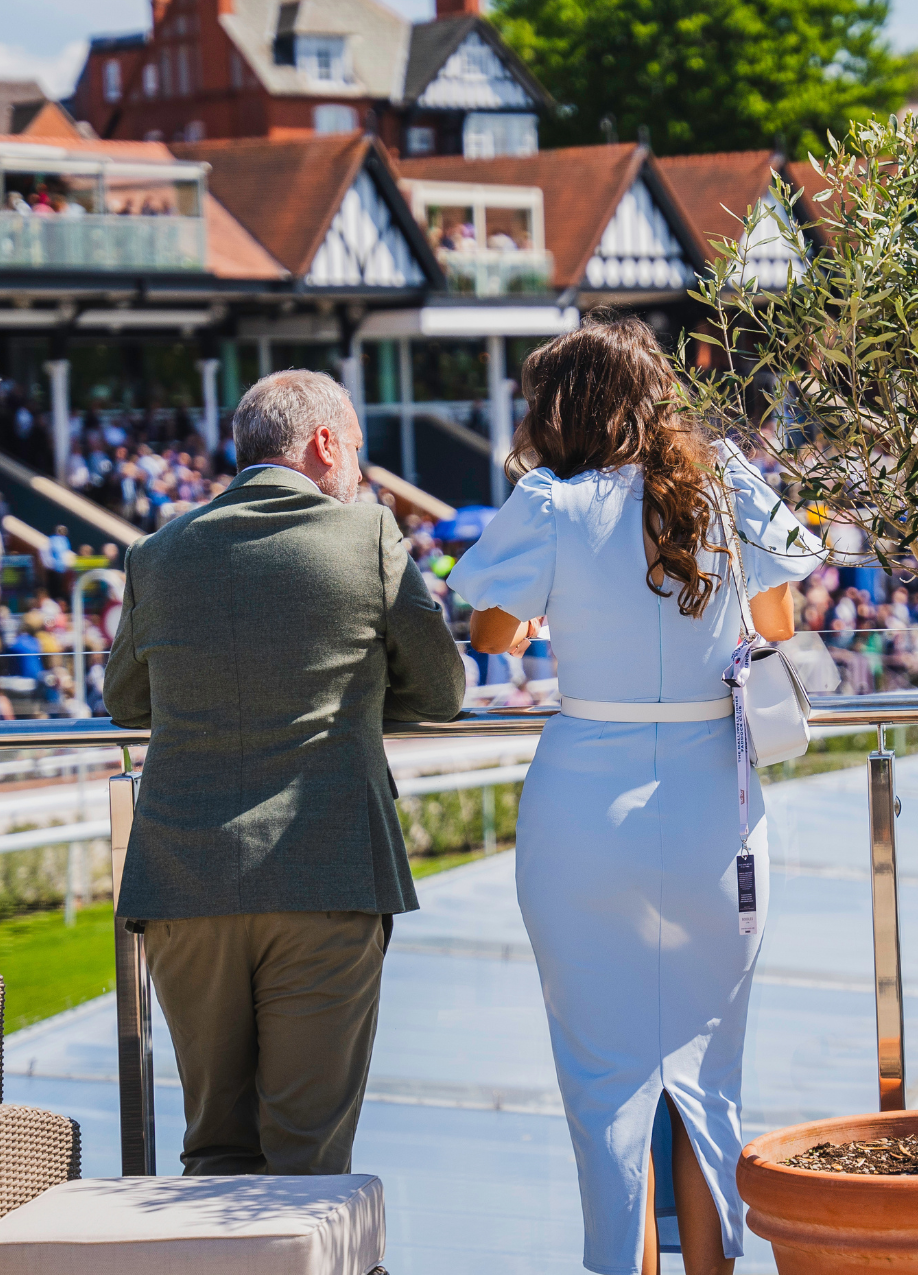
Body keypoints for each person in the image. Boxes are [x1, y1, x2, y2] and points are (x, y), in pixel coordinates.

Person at [447, 316, 823, 1275]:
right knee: (709, 1073)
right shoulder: (727, 486)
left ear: (564, 409)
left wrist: (546, 613)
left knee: (605, 1081)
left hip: (585, 811)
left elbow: (490, 631)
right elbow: (778, 619)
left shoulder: (551, 502)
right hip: (713, 805)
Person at [103, 369, 465, 1177]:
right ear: (325, 443)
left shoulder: (158, 554)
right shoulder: (369, 536)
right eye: (360, 453)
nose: (362, 474)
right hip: (326, 871)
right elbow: (443, 689)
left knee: (214, 1152)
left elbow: (126, 700)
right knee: (306, 1155)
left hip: (183, 884)